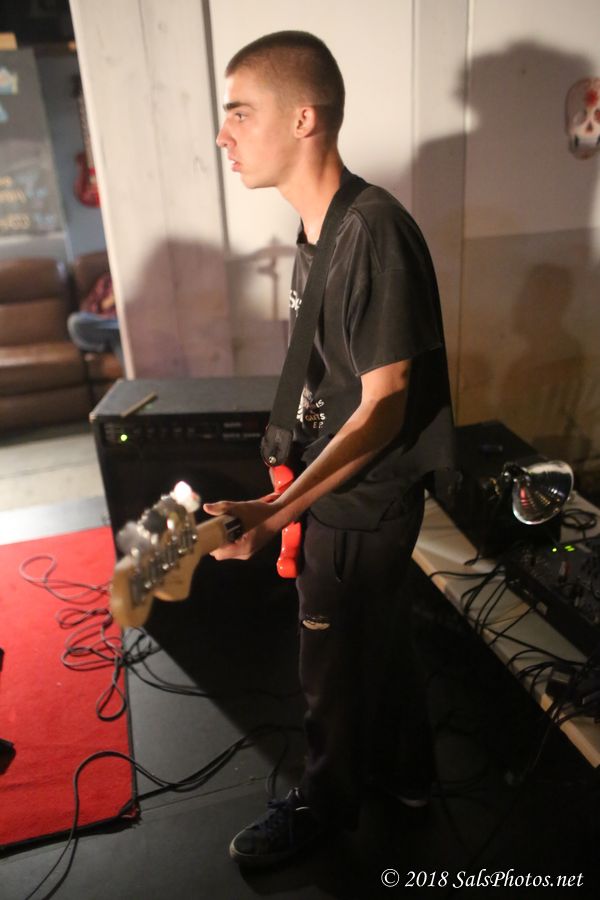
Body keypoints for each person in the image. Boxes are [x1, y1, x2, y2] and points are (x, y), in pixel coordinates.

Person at [205, 30, 455, 869]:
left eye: (241, 112)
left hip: (362, 497)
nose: (224, 134)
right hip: (337, 485)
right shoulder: (325, 229)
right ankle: (410, 777)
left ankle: (326, 804)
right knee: (376, 640)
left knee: (330, 663)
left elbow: (384, 409)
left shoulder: (373, 231)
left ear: (303, 118)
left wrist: (279, 510)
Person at [67, 270, 124, 366]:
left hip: (126, 322)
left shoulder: (137, 281)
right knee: (75, 322)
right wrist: (111, 300)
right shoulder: (106, 281)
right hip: (104, 324)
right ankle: (119, 331)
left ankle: (119, 332)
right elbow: (91, 308)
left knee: (119, 337)